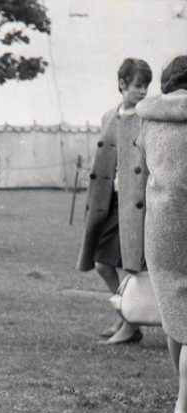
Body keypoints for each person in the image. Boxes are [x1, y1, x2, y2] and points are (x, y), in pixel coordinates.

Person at [77, 58, 153, 345]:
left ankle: (130, 324)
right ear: (122, 84)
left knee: (131, 265)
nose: (143, 92)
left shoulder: (147, 118)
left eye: (146, 86)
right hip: (108, 202)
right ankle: (126, 315)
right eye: (138, 86)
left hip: (134, 204)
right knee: (101, 263)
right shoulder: (110, 116)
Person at [137, 56, 187, 413]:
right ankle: (183, 406)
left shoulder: (148, 119)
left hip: (160, 228)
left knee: (174, 314)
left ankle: (181, 391)